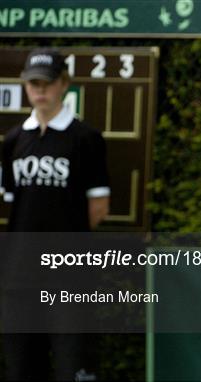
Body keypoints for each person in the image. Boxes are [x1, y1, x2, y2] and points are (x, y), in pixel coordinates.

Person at [0, 48, 110, 381]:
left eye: (46, 83)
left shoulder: (86, 139)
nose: (40, 90)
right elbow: (11, 203)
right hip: (19, 276)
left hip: (69, 274)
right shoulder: (13, 140)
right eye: (33, 83)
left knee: (70, 367)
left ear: (63, 83)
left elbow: (98, 209)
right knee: (20, 368)